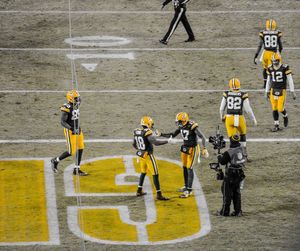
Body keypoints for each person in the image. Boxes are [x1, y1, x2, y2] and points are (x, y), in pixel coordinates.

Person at [160, 112, 209, 198]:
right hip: (185, 148)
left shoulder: (192, 126)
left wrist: (204, 148)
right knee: (184, 167)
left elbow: (202, 137)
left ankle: (189, 190)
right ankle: (186, 185)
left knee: (189, 168)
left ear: (183, 121)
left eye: (179, 121)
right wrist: (161, 134)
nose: (178, 123)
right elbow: (173, 134)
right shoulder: (181, 126)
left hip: (193, 149)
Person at [51, 90, 88, 176]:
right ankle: (55, 160)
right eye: (76, 98)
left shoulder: (76, 105)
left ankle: (77, 169)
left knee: (81, 148)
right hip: (70, 130)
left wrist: (76, 128)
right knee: (71, 151)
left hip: (77, 129)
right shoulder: (66, 108)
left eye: (78, 98)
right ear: (71, 99)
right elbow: (62, 122)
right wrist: (71, 129)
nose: (78, 100)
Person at [133, 116, 170, 200]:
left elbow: (134, 144)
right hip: (149, 156)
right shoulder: (148, 132)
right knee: (155, 174)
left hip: (142, 156)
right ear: (148, 123)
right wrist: (167, 141)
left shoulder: (137, 132)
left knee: (143, 172)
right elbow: (155, 142)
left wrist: (140, 151)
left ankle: (139, 190)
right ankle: (159, 194)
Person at [220, 78, 257, 158]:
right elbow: (248, 110)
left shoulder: (226, 94)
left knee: (232, 139)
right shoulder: (243, 94)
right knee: (242, 135)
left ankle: (233, 156)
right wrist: (253, 119)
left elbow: (221, 108)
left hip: (229, 118)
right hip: (240, 118)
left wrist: (221, 117)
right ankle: (244, 153)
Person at [265, 52, 296, 132]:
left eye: (276, 61)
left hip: (282, 90)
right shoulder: (270, 68)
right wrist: (267, 91)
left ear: (279, 60)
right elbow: (269, 80)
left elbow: (290, 79)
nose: (274, 63)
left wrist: (292, 91)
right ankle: (276, 125)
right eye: (273, 61)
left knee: (280, 108)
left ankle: (285, 115)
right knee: (274, 108)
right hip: (273, 90)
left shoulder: (285, 67)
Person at [217, 134, 246, 217]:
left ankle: (225, 212)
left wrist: (219, 156)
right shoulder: (243, 149)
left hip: (230, 175)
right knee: (237, 193)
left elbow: (222, 162)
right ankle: (238, 211)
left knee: (227, 193)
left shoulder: (228, 152)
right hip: (240, 174)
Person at [254, 19, 283, 88]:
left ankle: (265, 84)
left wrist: (256, 56)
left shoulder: (263, 33)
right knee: (275, 69)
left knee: (265, 69)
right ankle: (273, 83)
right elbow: (281, 46)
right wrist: (279, 53)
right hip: (273, 53)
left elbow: (260, 45)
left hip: (265, 53)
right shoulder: (277, 33)